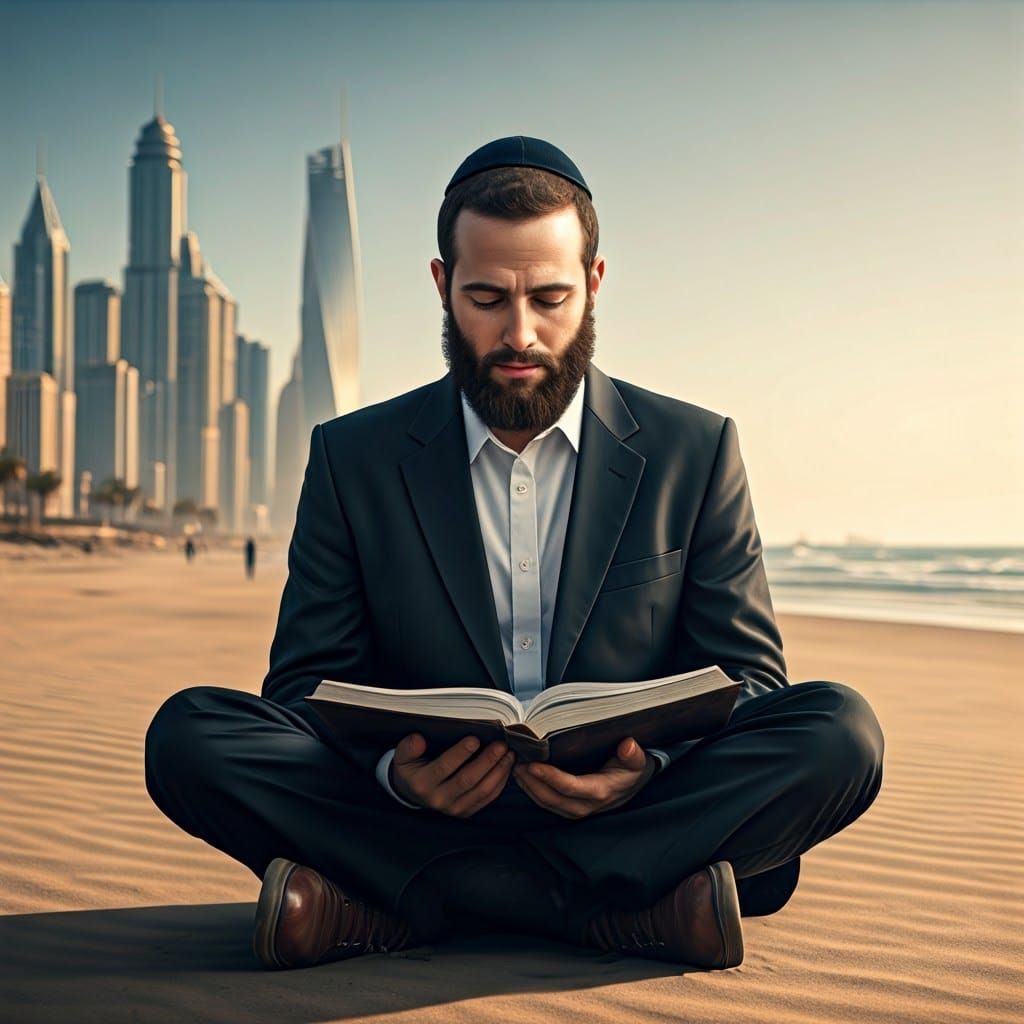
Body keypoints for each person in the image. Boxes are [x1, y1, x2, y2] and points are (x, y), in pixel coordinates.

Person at [145, 137, 884, 973]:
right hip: (413, 813)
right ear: (441, 286)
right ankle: (609, 910)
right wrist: (394, 775)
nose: (520, 334)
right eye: (487, 297)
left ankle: (408, 905)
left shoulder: (695, 449)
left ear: (595, 285)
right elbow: (306, 687)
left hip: (626, 808)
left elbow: (750, 682)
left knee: (840, 732)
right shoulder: (352, 457)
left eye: (551, 298)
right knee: (189, 736)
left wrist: (647, 772)